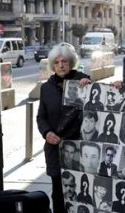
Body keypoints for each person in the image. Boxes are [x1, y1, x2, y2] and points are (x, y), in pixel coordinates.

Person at [37, 43, 91, 213]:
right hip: (55, 148)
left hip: (79, 147)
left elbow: (95, 111)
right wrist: (47, 133)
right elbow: (41, 116)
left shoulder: (84, 81)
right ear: (53, 65)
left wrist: (89, 87)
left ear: (71, 63)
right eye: (57, 62)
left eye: (65, 61)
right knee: (58, 192)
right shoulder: (46, 88)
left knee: (81, 189)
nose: (61, 65)